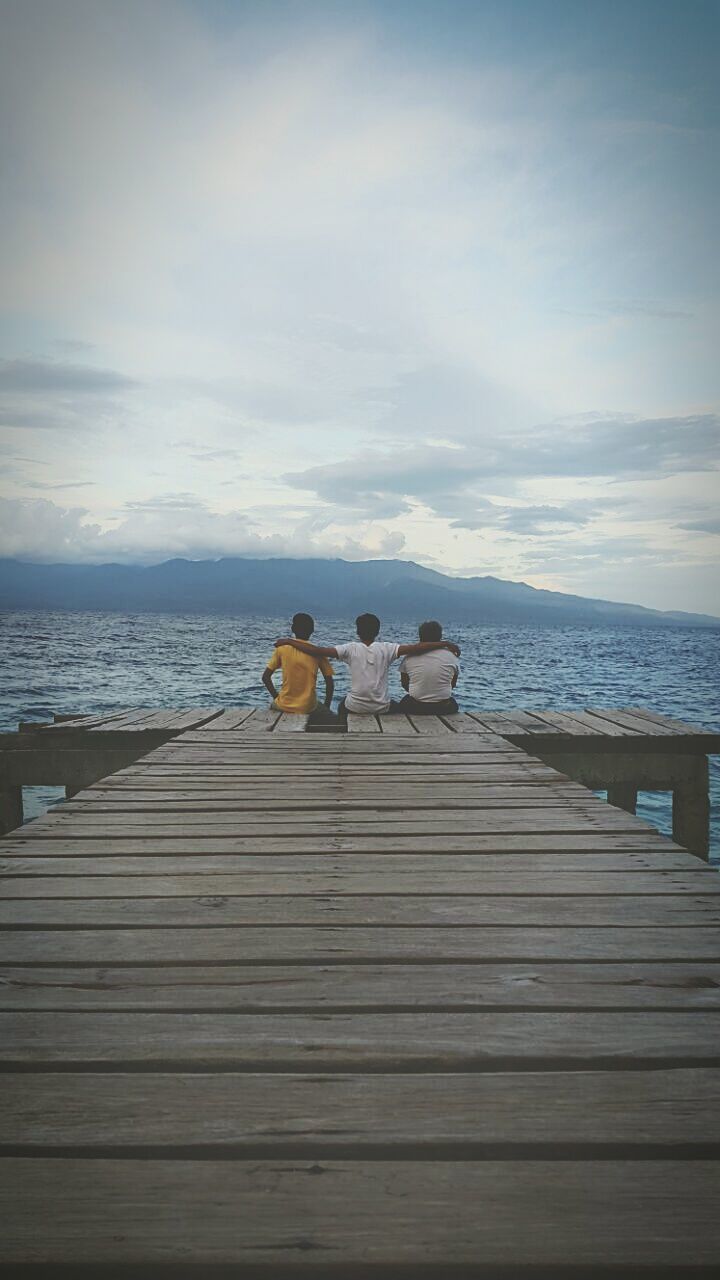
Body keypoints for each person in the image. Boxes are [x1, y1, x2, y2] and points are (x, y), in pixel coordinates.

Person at [273, 612, 460, 727]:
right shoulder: (386, 648)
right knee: (400, 707)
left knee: (341, 706)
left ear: (357, 631)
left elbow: (317, 650)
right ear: (378, 631)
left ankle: (343, 730)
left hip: (354, 707)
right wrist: (444, 643)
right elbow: (416, 647)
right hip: (382, 707)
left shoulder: (350, 649)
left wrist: (290, 640)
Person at [261, 612, 337, 725]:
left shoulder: (282, 649)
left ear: (292, 628)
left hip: (283, 705)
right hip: (307, 707)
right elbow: (329, 683)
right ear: (312, 630)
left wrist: (276, 697)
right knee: (334, 719)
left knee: (270, 710)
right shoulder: (317, 652)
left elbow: (265, 677)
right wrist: (327, 706)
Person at [398, 620, 459, 715]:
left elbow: (405, 684)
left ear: (420, 636)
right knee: (453, 703)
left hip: (415, 707)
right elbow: (452, 684)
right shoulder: (451, 656)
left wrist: (422, 694)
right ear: (440, 636)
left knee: (404, 701)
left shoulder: (409, 656)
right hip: (443, 708)